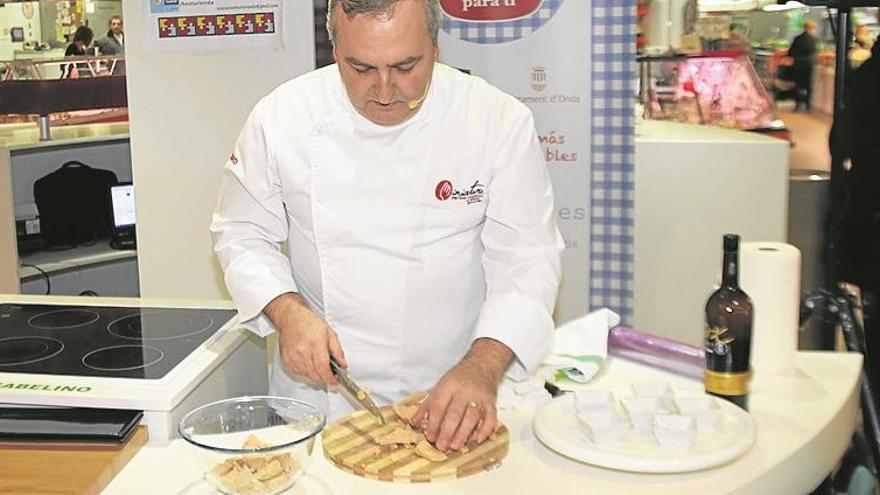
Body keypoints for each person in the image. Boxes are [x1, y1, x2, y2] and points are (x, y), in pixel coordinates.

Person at [210, 0, 562, 453]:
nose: (383, 90)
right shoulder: (282, 116)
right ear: (335, 51)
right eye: (360, 68)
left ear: (435, 47)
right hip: (321, 399)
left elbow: (529, 259)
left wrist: (483, 366)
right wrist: (287, 311)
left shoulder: (496, 121)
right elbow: (241, 232)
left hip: (453, 391)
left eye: (405, 65)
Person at [787, 20, 818, 112]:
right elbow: (815, 52)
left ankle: (797, 105)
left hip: (798, 64)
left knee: (798, 85)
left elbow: (790, 52)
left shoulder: (798, 38)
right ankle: (808, 105)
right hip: (809, 64)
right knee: (808, 85)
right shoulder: (814, 40)